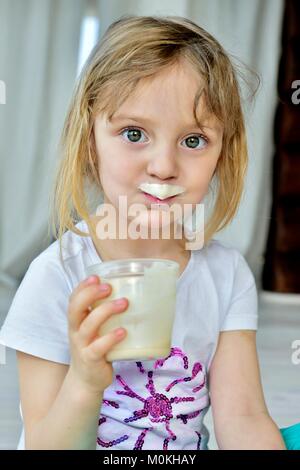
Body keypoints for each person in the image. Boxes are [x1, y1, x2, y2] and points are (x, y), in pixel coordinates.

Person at [0, 15, 290, 450]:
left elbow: (244, 418)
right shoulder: (56, 277)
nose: (164, 167)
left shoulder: (227, 275)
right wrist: (84, 380)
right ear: (90, 141)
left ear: (221, 155)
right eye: (134, 133)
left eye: (193, 141)